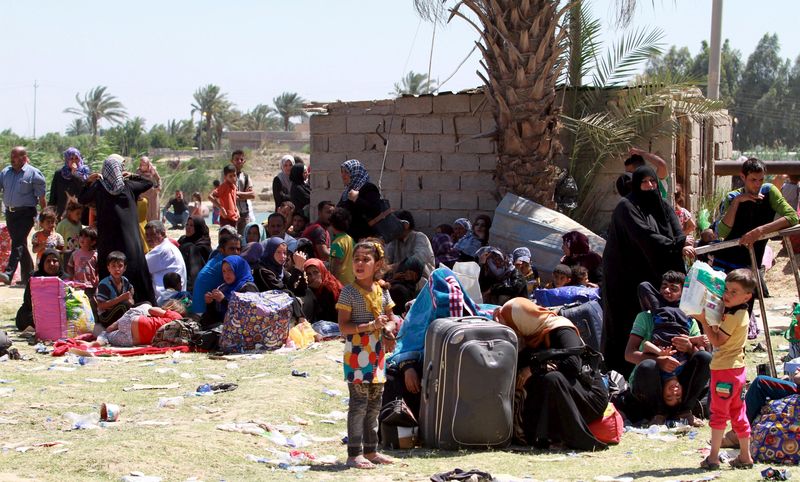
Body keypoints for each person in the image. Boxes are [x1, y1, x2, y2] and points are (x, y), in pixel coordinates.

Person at [602, 165, 694, 378]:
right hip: (625, 280)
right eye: (644, 182)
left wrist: (681, 241)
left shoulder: (662, 205)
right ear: (636, 184)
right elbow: (644, 235)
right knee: (626, 324)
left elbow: (675, 229)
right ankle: (621, 372)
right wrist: (677, 243)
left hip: (653, 276)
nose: (650, 186)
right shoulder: (626, 207)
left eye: (653, 182)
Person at [495, 297, 609, 451]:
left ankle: (574, 438)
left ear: (522, 320)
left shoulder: (561, 328)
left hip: (589, 396)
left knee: (552, 378)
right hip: (567, 394)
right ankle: (535, 435)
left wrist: (536, 368)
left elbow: (573, 365)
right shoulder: (531, 336)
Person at [335, 240, 396, 469]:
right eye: (357, 259)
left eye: (366, 259)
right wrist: (370, 325)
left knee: (375, 404)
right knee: (359, 404)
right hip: (357, 355)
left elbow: (391, 318)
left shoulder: (382, 290)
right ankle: (354, 454)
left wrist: (389, 331)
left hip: (377, 354)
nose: (359, 263)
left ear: (377, 264)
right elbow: (343, 327)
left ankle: (371, 451)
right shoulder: (349, 292)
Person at [621, 272, 711, 426]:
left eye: (673, 288)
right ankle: (659, 413)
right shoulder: (646, 317)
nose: (667, 291)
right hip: (650, 384)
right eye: (664, 287)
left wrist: (689, 347)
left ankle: (684, 411)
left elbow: (701, 353)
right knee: (649, 365)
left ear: (683, 294)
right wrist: (659, 360)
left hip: (677, 383)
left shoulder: (689, 320)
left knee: (705, 358)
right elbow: (629, 354)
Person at [696, 269, 756, 470]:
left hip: (724, 371)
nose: (728, 295)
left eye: (734, 292)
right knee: (739, 412)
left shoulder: (733, 316)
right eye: (727, 290)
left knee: (719, 414)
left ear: (747, 296)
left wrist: (703, 320)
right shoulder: (741, 312)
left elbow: (717, 341)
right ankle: (745, 457)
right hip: (737, 370)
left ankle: (713, 458)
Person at [78, 154, 154, 304]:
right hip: (129, 239)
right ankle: (138, 304)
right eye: (122, 167)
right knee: (132, 267)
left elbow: (82, 198)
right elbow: (148, 183)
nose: (123, 170)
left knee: (112, 268)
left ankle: (113, 306)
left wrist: (88, 181)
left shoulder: (99, 187)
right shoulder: (128, 185)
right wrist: (132, 175)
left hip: (108, 240)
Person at [714, 158, 799, 272]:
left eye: (761, 179)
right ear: (743, 177)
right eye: (753, 180)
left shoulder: (769, 192)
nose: (757, 184)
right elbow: (722, 232)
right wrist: (737, 202)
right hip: (726, 263)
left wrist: (760, 231)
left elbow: (792, 217)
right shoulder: (732, 197)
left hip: (753, 265)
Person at [0, 146, 47, 286]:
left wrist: (45, 215)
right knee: (20, 244)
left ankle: (8, 273)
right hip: (10, 213)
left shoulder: (34, 173)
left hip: (26, 213)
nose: (12, 159)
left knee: (17, 242)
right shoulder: (5, 172)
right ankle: (29, 275)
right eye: (11, 156)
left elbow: (41, 197)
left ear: (23, 157)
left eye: (15, 156)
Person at [199, 255, 259, 329]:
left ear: (238, 269)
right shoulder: (223, 288)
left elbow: (247, 314)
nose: (226, 274)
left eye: (230, 270)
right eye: (224, 271)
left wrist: (223, 300)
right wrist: (210, 303)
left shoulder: (248, 288)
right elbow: (216, 317)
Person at [191, 227, 240, 314]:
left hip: (200, 308)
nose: (236, 252)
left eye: (238, 249)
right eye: (231, 249)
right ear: (222, 250)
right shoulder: (223, 264)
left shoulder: (217, 258)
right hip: (203, 312)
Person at [97, 299, 186, 347]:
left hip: (132, 322)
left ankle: (112, 327)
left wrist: (161, 311)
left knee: (146, 305)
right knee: (109, 337)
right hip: (134, 340)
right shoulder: (178, 335)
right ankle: (101, 340)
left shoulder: (176, 316)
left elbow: (151, 310)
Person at [15, 249, 64, 331]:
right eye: (48, 261)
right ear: (42, 263)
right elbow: (28, 301)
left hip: (58, 314)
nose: (51, 264)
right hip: (36, 313)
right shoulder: (34, 278)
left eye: (55, 261)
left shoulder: (65, 279)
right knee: (27, 318)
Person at [337, 159, 383, 242]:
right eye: (342, 172)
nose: (343, 175)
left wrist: (357, 199)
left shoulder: (368, 187)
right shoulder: (347, 191)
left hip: (364, 239)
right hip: (349, 239)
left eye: (346, 172)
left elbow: (375, 211)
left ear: (355, 173)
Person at [385, 210, 435, 281]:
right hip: (399, 279)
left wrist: (394, 267)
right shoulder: (394, 241)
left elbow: (417, 261)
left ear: (406, 225)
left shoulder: (420, 237)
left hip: (421, 280)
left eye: (393, 225)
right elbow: (386, 262)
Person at [144, 220, 187, 300]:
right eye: (147, 235)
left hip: (166, 300)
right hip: (176, 297)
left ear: (163, 234)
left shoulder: (162, 250)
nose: (148, 238)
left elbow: (139, 267)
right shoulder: (169, 247)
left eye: (152, 234)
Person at [48, 147, 89, 221]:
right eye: (71, 159)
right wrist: (50, 212)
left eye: (76, 158)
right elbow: (53, 196)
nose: (74, 161)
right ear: (67, 160)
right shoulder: (59, 174)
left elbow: (84, 188)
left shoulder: (84, 172)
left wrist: (75, 174)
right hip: (62, 214)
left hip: (80, 215)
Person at [96, 251, 135, 327]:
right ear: (108, 268)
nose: (117, 269)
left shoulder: (125, 281)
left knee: (146, 303)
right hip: (106, 317)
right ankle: (124, 327)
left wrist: (131, 299)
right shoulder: (104, 284)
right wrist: (120, 299)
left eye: (120, 266)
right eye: (113, 266)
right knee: (124, 305)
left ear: (124, 268)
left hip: (120, 313)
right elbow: (101, 306)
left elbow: (131, 291)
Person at [177, 216, 212, 291]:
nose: (188, 228)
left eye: (191, 225)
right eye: (187, 224)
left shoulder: (202, 245)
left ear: (198, 227)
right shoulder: (183, 239)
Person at [304, 257, 342, 323]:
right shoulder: (312, 288)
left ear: (322, 271)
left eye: (315, 272)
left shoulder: (329, 287)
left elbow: (330, 316)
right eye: (309, 274)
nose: (312, 277)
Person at [230, 150, 255, 235]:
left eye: (241, 159)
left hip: (244, 213)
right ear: (232, 161)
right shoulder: (226, 176)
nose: (239, 161)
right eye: (236, 159)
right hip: (230, 214)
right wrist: (244, 195)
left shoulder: (246, 177)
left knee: (245, 238)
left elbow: (252, 195)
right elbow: (227, 194)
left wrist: (237, 194)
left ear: (244, 161)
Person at [330, 207, 355, 285]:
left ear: (332, 224)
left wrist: (332, 283)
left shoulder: (337, 243)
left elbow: (336, 265)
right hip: (351, 280)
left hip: (341, 283)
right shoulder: (350, 239)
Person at [136, 156, 161, 222]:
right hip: (143, 194)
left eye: (144, 164)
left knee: (153, 212)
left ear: (147, 164)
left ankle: (154, 229)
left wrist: (159, 186)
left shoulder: (152, 170)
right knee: (144, 212)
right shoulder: (138, 171)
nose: (142, 166)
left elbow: (158, 179)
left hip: (153, 194)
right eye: (141, 164)